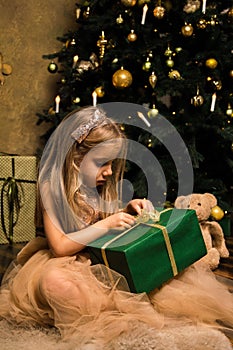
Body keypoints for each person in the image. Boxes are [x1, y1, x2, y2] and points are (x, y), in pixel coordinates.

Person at [0, 106, 232, 348]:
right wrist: (107, 224)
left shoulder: (95, 185)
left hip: (100, 260)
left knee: (155, 283)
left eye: (112, 163)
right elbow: (59, 246)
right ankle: (103, 323)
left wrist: (124, 211)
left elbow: (103, 222)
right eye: (102, 163)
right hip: (65, 262)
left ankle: (131, 319)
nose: (110, 171)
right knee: (55, 282)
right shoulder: (52, 187)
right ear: (75, 157)